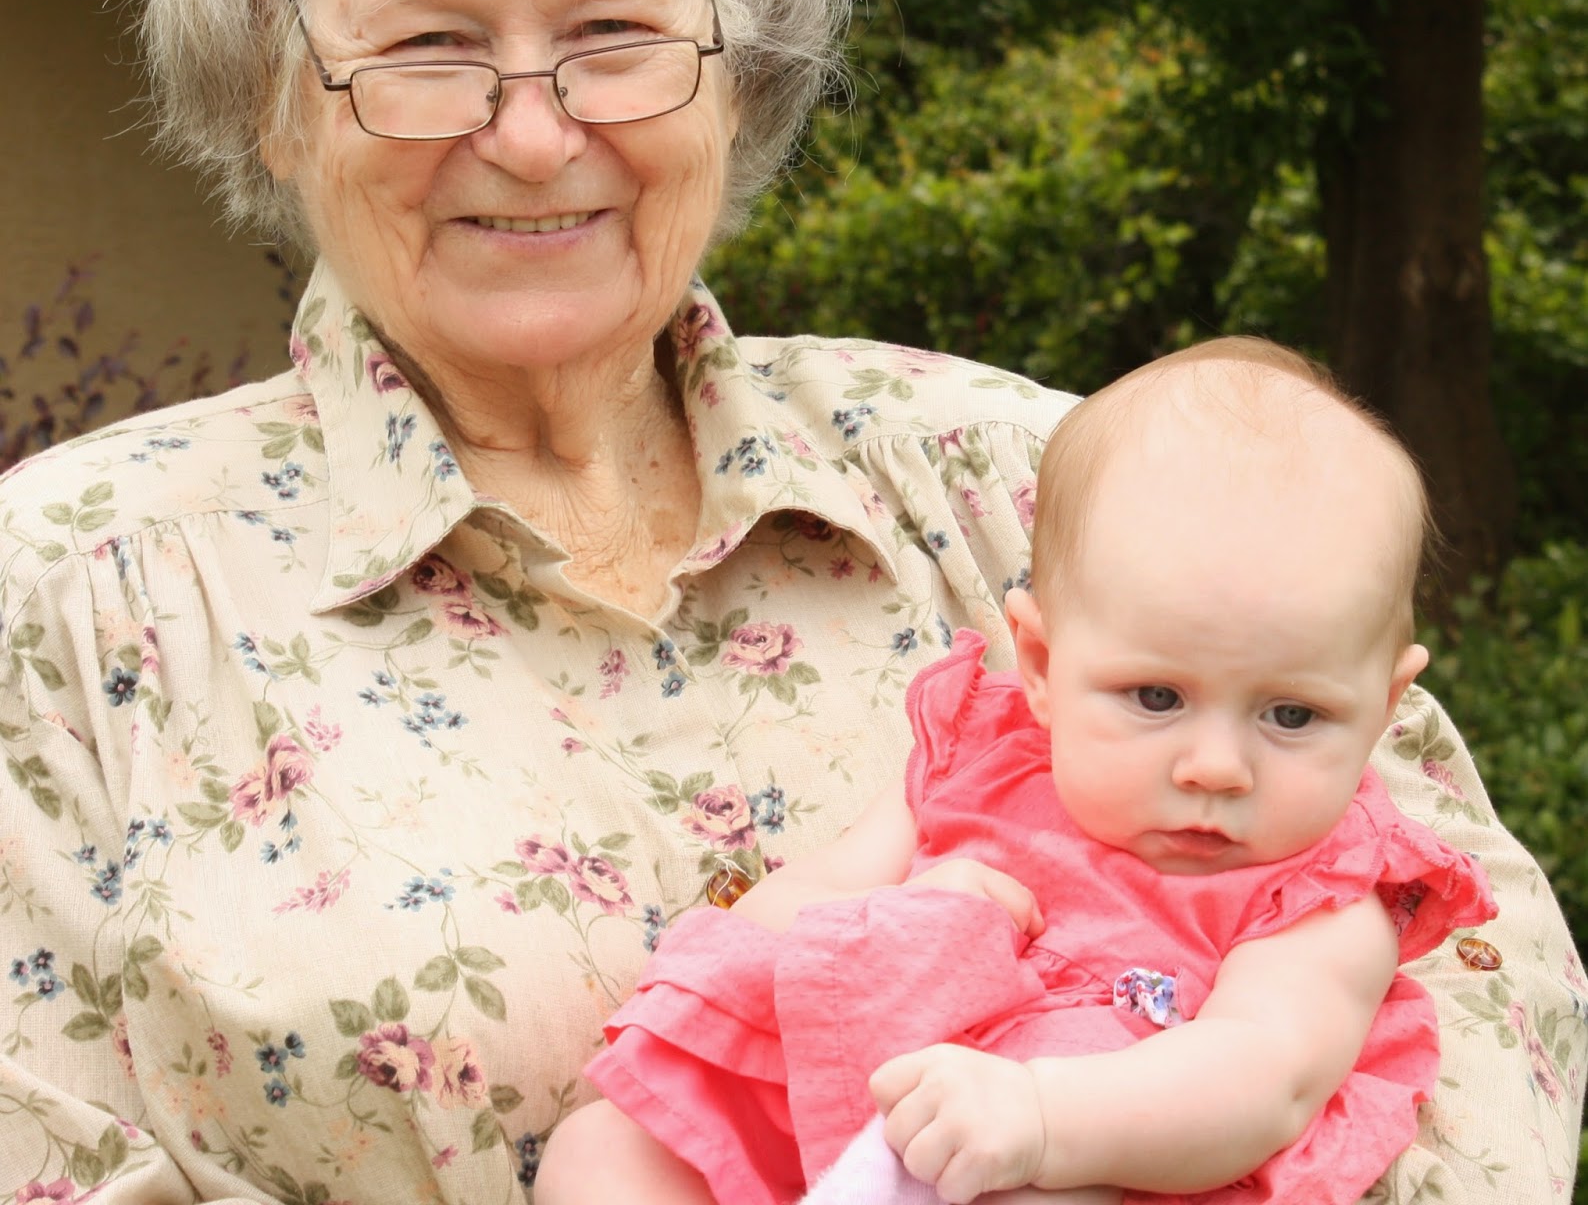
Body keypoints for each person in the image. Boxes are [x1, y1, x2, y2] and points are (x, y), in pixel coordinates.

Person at [0, 0, 1579, 1205]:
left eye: (615, 35)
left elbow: (1483, 1012)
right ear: (278, 92)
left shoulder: (1052, 483)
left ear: (737, 67)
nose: (535, 135)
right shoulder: (63, 608)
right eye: (427, 46)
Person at [536, 339, 1499, 1205]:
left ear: (1383, 707)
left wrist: (1042, 1119)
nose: (1216, 767)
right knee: (607, 1153)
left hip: (1093, 1144)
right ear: (1040, 663)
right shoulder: (979, 754)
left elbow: (1263, 1079)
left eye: (1292, 715)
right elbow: (792, 907)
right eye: (1156, 697)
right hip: (857, 1073)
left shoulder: (1327, 892)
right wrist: (898, 913)